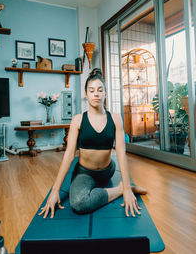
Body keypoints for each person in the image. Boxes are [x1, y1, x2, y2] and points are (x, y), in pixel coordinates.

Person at [39, 68, 146, 219]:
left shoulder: (115, 119)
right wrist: (55, 191)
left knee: (115, 182)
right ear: (86, 95)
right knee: (79, 203)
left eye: (100, 90)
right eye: (91, 90)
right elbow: (69, 155)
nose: (96, 94)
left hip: (108, 170)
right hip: (85, 172)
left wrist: (129, 187)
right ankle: (119, 190)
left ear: (105, 94)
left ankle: (125, 188)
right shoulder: (77, 119)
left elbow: (121, 153)